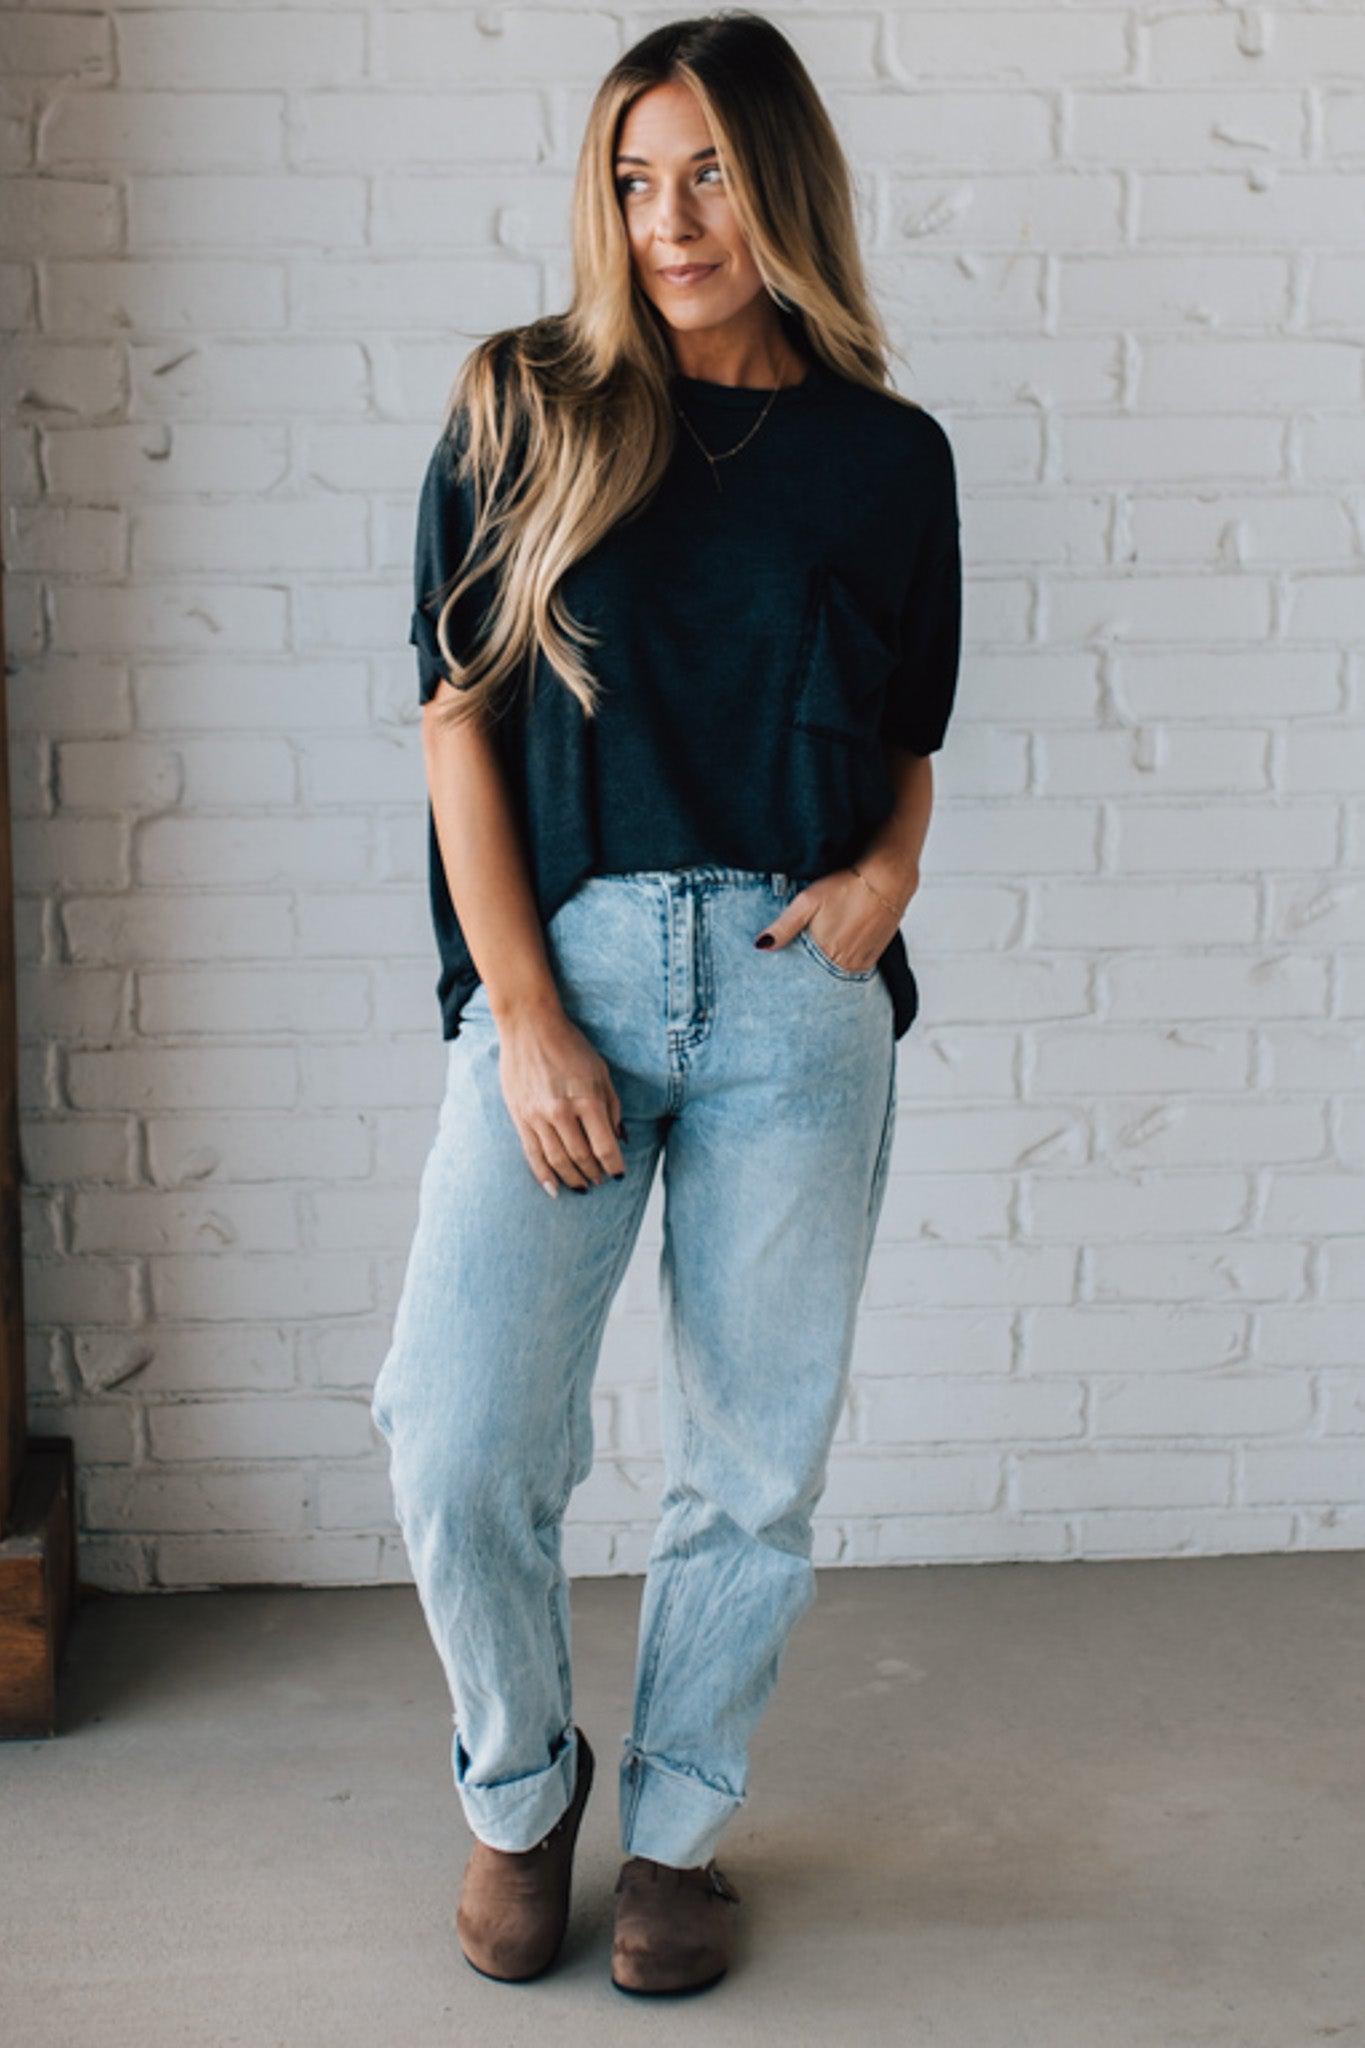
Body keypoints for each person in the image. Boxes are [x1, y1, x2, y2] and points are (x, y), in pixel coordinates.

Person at [370, 8, 962, 1999]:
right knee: (455, 1433)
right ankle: (522, 1788)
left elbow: (903, 742)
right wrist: (522, 1014)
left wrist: (884, 878)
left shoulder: (887, 459)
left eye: (704, 169)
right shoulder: (520, 404)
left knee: (750, 1462)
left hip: (802, 1006)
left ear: (777, 179)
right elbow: (455, 729)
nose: (666, 217)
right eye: (632, 176)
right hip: (576, 980)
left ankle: (681, 1835)